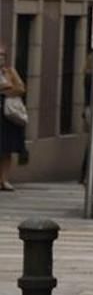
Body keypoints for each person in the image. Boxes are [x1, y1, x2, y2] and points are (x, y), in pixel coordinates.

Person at [0, 46, 24, 191]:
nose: (1, 59)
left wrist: (5, 87)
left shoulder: (10, 72)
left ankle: (4, 179)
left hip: (7, 115)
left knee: (6, 148)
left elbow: (20, 88)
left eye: (3, 56)